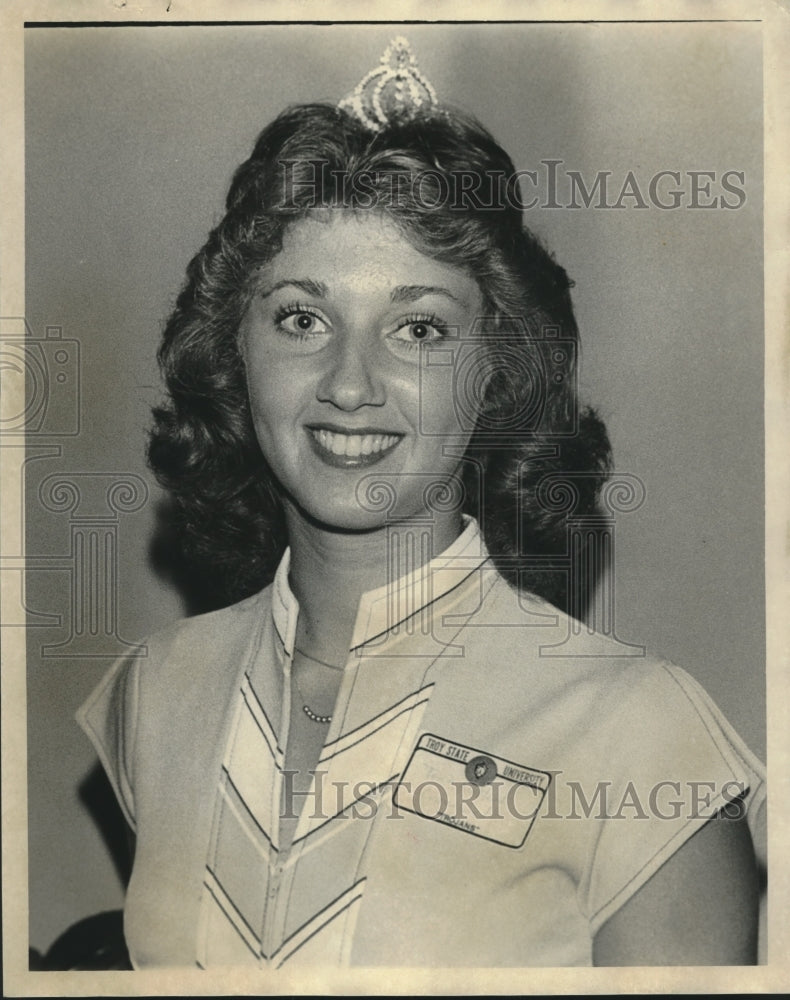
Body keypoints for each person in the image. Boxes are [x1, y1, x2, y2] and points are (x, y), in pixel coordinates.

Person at [77, 38, 766, 968]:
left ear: (497, 372)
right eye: (302, 319)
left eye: (419, 328)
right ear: (234, 354)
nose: (350, 383)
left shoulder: (638, 729)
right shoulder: (156, 691)